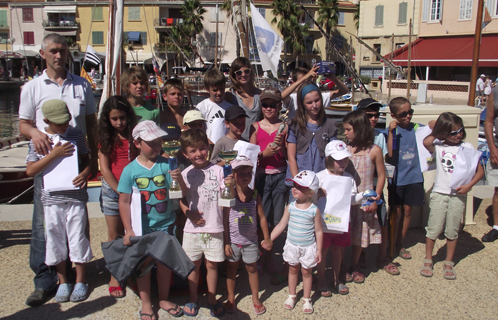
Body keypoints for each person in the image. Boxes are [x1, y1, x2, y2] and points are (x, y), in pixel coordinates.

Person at [19, 33, 97, 307]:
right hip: (47, 165)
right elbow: (24, 124)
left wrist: (92, 166)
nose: (58, 55)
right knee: (44, 227)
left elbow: (90, 124)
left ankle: (80, 277)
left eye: (63, 50)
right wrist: (35, 135)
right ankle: (45, 281)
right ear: (42, 53)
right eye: (53, 50)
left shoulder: (82, 85)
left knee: (78, 227)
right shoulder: (32, 87)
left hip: (75, 169)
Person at [25, 99, 93, 303]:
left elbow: (86, 159)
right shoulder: (39, 139)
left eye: (66, 120)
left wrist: (86, 173)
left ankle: (81, 280)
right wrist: (53, 154)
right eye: (59, 122)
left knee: (77, 237)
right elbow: (30, 170)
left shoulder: (76, 134)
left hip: (75, 196)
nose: (64, 125)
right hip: (51, 198)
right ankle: (63, 282)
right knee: (55, 238)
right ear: (46, 120)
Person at [118, 120, 186, 319]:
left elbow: (180, 192)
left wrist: (178, 177)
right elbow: (124, 202)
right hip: (141, 229)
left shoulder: (167, 164)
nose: (157, 146)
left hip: (166, 224)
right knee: (143, 266)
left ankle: (164, 298)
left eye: (159, 142)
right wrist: (128, 229)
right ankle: (146, 303)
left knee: (165, 264)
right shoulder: (129, 170)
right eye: (152, 142)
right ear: (137, 143)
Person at [421, 112, 484, 279]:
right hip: (440, 192)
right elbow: (426, 141)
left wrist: (469, 186)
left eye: (460, 131)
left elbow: (480, 171)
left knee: (453, 229)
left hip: (458, 195)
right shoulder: (439, 147)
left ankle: (449, 261)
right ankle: (428, 257)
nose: (458, 135)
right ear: (444, 133)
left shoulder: (468, 147)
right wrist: (437, 129)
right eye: (453, 132)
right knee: (433, 227)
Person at [179, 129, 228, 317]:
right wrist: (188, 214)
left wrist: (230, 184)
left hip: (214, 226)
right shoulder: (184, 174)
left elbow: (226, 196)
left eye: (201, 148)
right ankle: (192, 298)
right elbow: (181, 199)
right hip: (192, 229)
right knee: (193, 265)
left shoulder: (219, 170)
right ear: (185, 154)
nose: (198, 153)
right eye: (193, 151)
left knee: (212, 265)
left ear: (207, 148)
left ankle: (212, 299)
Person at [97, 95, 138, 298]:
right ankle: (114, 275)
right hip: (114, 192)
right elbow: (105, 169)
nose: (119, 122)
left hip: (135, 190)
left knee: (132, 235)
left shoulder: (135, 135)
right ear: (108, 119)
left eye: (122, 117)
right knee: (114, 236)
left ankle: (130, 271)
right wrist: (120, 191)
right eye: (114, 119)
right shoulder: (106, 137)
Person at [223, 156, 272, 315]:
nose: (245, 177)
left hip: (251, 241)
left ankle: (255, 298)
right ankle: (231, 297)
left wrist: (267, 237)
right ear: (233, 174)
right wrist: (226, 242)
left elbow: (262, 218)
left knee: (252, 269)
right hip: (234, 242)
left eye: (248, 173)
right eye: (241, 173)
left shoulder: (255, 194)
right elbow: (224, 220)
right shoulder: (229, 196)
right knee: (231, 269)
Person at [269, 170, 323, 315]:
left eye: (299, 187)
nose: (294, 188)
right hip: (292, 245)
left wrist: (319, 250)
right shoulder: (291, 206)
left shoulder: (314, 210)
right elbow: (281, 225)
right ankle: (292, 295)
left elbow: (318, 231)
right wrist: (269, 238)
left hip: (308, 247)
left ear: (311, 192)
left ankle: (306, 298)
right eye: (294, 185)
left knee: (307, 272)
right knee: (292, 269)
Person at [356, 98, 398, 275]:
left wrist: (390, 134)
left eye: (376, 115)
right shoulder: (353, 138)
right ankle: (361, 256)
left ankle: (383, 256)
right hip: (360, 189)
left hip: (376, 188)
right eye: (370, 115)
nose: (374, 119)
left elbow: (386, 161)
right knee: (360, 224)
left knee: (382, 221)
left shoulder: (380, 136)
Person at [315, 140, 363, 296]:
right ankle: (321, 280)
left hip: (342, 223)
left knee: (338, 251)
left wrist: (365, 197)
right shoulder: (319, 177)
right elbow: (308, 199)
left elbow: (352, 199)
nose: (343, 162)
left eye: (345, 159)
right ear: (328, 159)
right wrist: (316, 194)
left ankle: (336, 280)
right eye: (338, 159)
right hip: (323, 224)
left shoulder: (349, 178)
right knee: (322, 251)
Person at [343, 110, 385, 283]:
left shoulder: (374, 151)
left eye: (348, 129)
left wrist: (376, 198)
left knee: (360, 233)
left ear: (359, 129)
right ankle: (341, 264)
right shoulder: (344, 149)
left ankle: (354, 264)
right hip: (346, 198)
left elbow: (381, 175)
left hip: (365, 198)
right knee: (344, 232)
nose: (345, 133)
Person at [249, 87, 287, 275]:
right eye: (265, 105)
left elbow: (289, 155)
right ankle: (258, 255)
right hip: (262, 176)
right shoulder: (255, 127)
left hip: (280, 176)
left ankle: (269, 256)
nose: (269, 108)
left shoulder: (285, 127)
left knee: (275, 219)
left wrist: (282, 148)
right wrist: (264, 154)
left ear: (279, 106)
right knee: (259, 217)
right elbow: (250, 158)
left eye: (273, 105)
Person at [387, 97, 425, 260]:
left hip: (414, 177)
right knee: (395, 212)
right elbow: (389, 153)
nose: (408, 116)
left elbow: (431, 137)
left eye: (410, 112)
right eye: (403, 114)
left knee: (408, 210)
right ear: (393, 115)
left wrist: (433, 126)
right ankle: (390, 243)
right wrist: (390, 132)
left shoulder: (418, 128)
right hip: (398, 178)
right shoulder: (393, 130)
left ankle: (399, 243)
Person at [286, 81, 337, 201]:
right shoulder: (295, 125)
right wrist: (299, 182)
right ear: (302, 104)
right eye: (309, 102)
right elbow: (291, 157)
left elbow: (333, 157)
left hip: (322, 182)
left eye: (317, 100)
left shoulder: (330, 124)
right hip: (299, 182)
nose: (314, 105)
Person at [281, 66, 349, 120]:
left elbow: (344, 91)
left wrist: (334, 79)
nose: (306, 84)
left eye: (308, 81)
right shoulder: (293, 98)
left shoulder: (319, 97)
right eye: (303, 81)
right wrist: (304, 78)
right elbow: (282, 96)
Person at [225, 57, 261, 140]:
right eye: (239, 73)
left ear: (251, 72)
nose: (243, 75)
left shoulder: (259, 94)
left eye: (246, 71)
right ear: (234, 75)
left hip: (255, 142)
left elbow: (280, 97)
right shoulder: (230, 96)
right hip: (236, 143)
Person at [195, 68, 231, 145]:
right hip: (208, 146)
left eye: (221, 89)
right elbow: (197, 130)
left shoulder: (230, 107)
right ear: (207, 89)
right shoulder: (201, 107)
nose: (219, 92)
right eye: (215, 90)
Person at [483, 85, 498, 242]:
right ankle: (496, 227)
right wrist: (492, 148)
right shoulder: (495, 92)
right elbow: (488, 121)